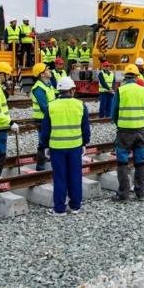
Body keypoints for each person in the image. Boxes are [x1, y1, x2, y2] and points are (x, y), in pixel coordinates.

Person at [40, 76, 90, 216]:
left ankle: (59, 209)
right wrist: (84, 143)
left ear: (59, 91)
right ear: (72, 90)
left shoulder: (51, 106)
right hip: (75, 147)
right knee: (75, 176)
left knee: (60, 177)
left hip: (57, 148)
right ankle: (75, 207)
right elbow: (85, 128)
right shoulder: (80, 105)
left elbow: (46, 130)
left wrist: (45, 146)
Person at [110, 63, 144, 201]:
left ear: (125, 76)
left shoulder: (121, 90)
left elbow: (114, 112)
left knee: (122, 162)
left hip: (125, 132)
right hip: (141, 130)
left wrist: (119, 123)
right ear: (137, 76)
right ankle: (140, 193)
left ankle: (124, 194)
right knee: (140, 162)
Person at [31, 63, 56, 170]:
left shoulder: (48, 84)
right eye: (47, 70)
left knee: (50, 142)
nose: (49, 71)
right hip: (42, 120)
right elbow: (44, 107)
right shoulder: (38, 88)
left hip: (49, 118)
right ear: (42, 74)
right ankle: (40, 168)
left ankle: (46, 164)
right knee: (43, 143)